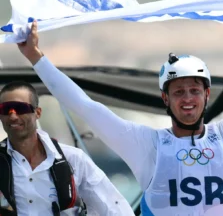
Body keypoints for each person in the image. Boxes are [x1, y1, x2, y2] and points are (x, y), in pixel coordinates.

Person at [16, 2, 223, 215]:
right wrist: (35, 57)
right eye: (178, 92)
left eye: (194, 90)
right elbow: (83, 105)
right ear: (166, 99)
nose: (187, 98)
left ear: (206, 95)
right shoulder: (145, 144)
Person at [0, 81, 135, 216]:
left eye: (20, 108)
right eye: (5, 109)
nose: (12, 116)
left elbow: (114, 207)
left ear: (38, 113)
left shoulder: (74, 159)